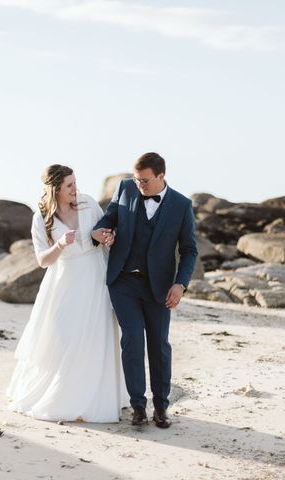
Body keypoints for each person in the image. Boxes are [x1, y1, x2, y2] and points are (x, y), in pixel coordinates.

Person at [6, 164, 128, 422]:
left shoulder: (88, 203)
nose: (75, 189)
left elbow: (105, 235)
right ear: (56, 189)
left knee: (96, 335)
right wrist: (60, 244)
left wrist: (107, 237)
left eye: (75, 183)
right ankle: (60, 394)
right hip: (65, 282)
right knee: (63, 336)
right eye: (69, 185)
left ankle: (97, 395)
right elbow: (42, 260)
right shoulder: (42, 217)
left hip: (96, 278)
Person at [91, 152, 198, 428]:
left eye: (145, 180)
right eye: (137, 179)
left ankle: (161, 407)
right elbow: (108, 220)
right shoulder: (125, 188)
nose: (140, 185)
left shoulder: (181, 206)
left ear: (162, 176)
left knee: (159, 345)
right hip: (123, 281)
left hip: (160, 287)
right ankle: (138, 405)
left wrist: (180, 283)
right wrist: (100, 233)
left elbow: (189, 251)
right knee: (133, 339)